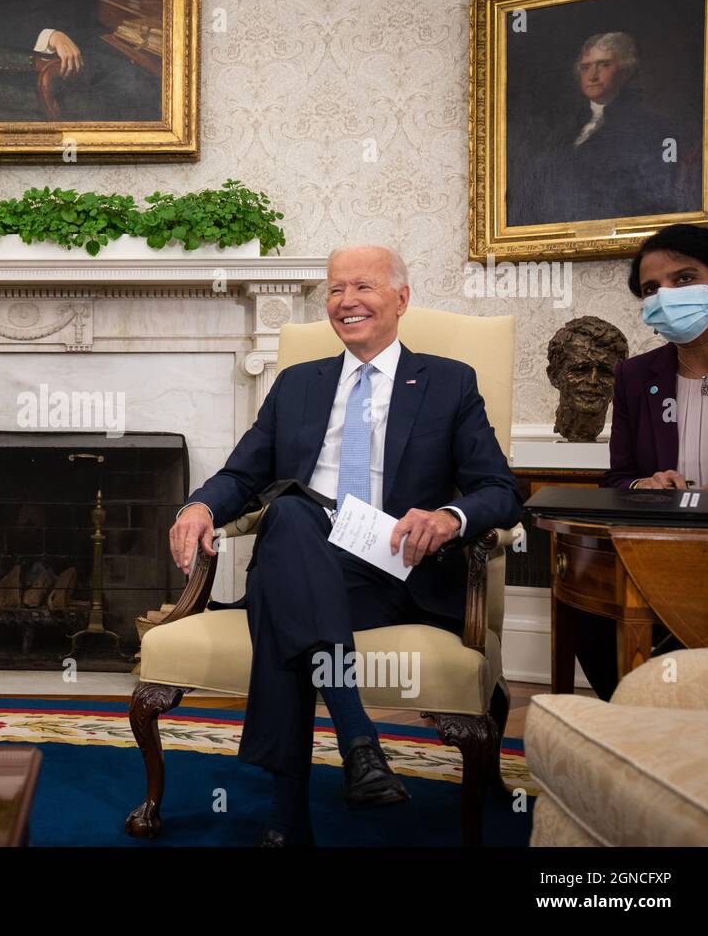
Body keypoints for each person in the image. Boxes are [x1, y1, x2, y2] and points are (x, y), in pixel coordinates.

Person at [170, 246, 522, 846]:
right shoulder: (296, 385)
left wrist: (449, 515)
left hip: (401, 572)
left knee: (285, 577)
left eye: (363, 286)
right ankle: (359, 742)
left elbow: (499, 488)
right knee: (292, 514)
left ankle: (287, 819)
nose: (346, 301)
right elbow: (241, 476)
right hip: (308, 557)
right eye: (335, 289)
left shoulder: (449, 382)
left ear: (401, 299)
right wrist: (199, 505)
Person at [578, 223, 708, 698]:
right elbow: (617, 478)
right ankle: (638, 726)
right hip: (664, 545)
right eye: (651, 289)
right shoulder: (637, 376)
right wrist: (646, 486)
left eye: (684, 279)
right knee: (592, 609)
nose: (666, 295)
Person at [508, 32, 691, 226]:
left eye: (604, 65)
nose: (593, 76)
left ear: (626, 70)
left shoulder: (651, 127)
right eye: (585, 68)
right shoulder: (563, 126)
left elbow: (656, 196)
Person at [0, 0, 162, 121]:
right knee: (139, 84)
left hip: (81, 34)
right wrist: (47, 35)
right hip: (31, 50)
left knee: (153, 66)